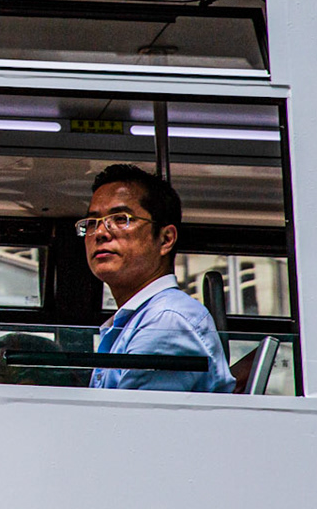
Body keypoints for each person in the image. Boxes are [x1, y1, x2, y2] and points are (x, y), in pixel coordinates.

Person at [81, 163, 234, 392]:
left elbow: (132, 423)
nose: (101, 233)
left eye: (121, 219)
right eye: (93, 223)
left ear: (165, 239)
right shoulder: (137, 319)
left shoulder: (166, 321)